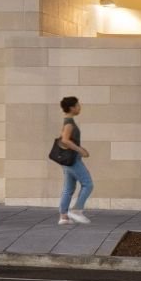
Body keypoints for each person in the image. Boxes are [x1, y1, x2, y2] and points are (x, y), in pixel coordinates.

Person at [56, 96, 92, 226]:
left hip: (67, 160)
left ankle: (64, 216)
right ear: (72, 108)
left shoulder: (68, 121)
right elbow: (65, 140)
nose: (79, 107)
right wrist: (80, 150)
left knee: (68, 188)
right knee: (88, 184)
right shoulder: (69, 123)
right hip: (73, 160)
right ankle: (77, 210)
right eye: (77, 105)